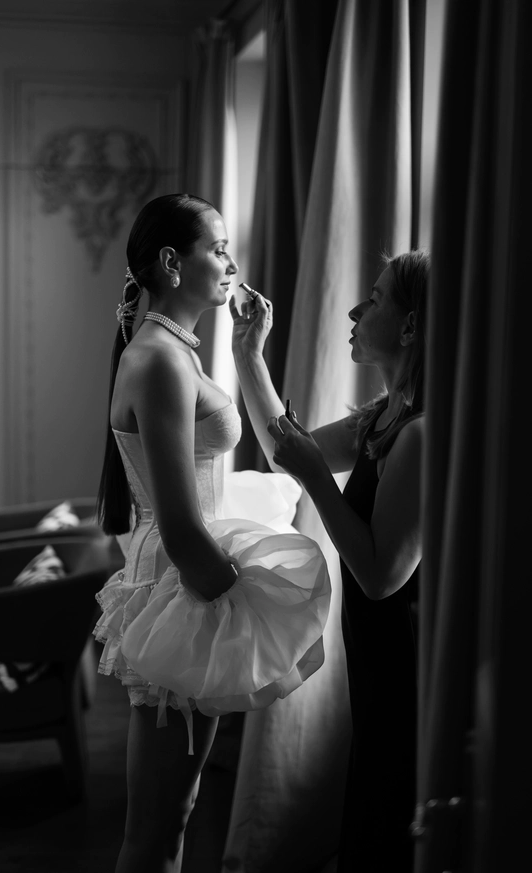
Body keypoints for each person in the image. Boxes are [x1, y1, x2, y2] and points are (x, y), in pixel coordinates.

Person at [93, 193, 332, 873]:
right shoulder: (161, 360)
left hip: (183, 583)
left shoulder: (173, 350)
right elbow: (178, 526)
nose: (232, 263)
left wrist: (250, 351)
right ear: (173, 263)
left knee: (173, 814)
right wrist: (240, 607)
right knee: (156, 828)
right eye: (219, 249)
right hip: (183, 585)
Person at [229, 250, 429, 873]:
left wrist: (319, 480)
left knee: (389, 819)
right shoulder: (384, 418)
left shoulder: (422, 433)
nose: (354, 310)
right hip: (375, 658)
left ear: (410, 326)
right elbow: (287, 453)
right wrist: (249, 354)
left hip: (409, 668)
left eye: (375, 298)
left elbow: (381, 577)